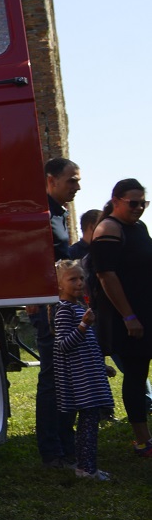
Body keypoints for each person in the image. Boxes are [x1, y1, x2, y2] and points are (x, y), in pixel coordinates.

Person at [91, 178, 152, 457]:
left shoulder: (139, 227)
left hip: (147, 310)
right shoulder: (108, 229)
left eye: (144, 202)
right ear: (116, 200)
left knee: (141, 374)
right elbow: (106, 275)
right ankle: (142, 440)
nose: (139, 208)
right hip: (129, 318)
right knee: (137, 375)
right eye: (133, 203)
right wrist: (129, 317)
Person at [31, 157, 81, 467]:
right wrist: (36, 298)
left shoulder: (59, 214)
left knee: (67, 378)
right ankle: (51, 450)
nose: (77, 186)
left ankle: (66, 443)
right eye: (71, 180)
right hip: (50, 310)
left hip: (64, 305)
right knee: (53, 379)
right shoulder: (41, 215)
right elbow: (32, 259)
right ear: (51, 180)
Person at [53, 259, 114, 479]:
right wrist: (83, 325)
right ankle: (87, 469)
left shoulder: (77, 308)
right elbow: (63, 345)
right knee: (88, 425)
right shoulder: (64, 312)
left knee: (90, 424)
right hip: (81, 383)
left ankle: (84, 466)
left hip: (89, 376)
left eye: (81, 278)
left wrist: (101, 366)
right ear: (59, 284)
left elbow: (86, 346)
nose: (79, 283)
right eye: (73, 279)